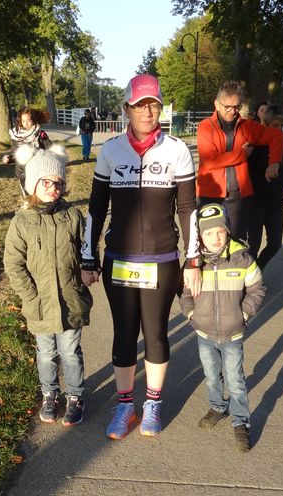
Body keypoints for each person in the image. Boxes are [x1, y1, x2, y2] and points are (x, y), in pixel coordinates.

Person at [81, 74, 201, 440]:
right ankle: (124, 405)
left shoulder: (176, 150)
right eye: (140, 105)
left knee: (156, 333)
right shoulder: (111, 151)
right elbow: (96, 208)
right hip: (119, 259)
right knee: (123, 334)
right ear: (126, 109)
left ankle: (152, 403)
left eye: (153, 105)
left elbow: (188, 209)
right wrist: (89, 257)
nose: (148, 112)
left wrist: (193, 259)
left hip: (161, 260)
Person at [4, 144, 93, 426]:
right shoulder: (22, 221)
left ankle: (75, 396)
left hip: (70, 299)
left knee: (70, 352)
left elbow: (87, 250)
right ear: (33, 184)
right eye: (46, 182)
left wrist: (90, 269)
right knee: (46, 353)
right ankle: (49, 394)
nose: (53, 188)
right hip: (40, 304)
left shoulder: (73, 215)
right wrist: (30, 296)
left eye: (58, 183)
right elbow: (13, 263)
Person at [179, 203, 265, 452]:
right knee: (211, 374)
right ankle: (217, 407)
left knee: (236, 379)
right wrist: (192, 314)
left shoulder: (242, 259)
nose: (215, 238)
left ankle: (241, 421)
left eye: (220, 231)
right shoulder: (195, 264)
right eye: (208, 233)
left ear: (227, 230)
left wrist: (244, 314)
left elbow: (257, 289)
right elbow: (185, 293)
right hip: (204, 332)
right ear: (200, 236)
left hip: (232, 333)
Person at [196, 81, 283, 244]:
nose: (232, 111)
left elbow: (277, 136)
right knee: (209, 243)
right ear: (217, 104)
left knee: (237, 242)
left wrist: (274, 162)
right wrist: (242, 154)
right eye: (227, 106)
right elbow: (209, 161)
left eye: (236, 106)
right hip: (210, 194)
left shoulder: (247, 126)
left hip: (238, 196)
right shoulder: (206, 127)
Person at [247, 104, 283, 268]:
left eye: (282, 125)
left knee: (275, 243)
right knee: (252, 246)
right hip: (256, 200)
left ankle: (257, 271)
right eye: (275, 126)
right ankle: (250, 278)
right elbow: (249, 172)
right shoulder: (255, 142)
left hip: (276, 200)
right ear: (265, 124)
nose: (279, 130)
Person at [3, 107, 52, 192]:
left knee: (40, 193)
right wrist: (8, 159)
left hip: (39, 170)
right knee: (28, 194)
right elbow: (15, 154)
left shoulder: (40, 134)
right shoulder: (16, 136)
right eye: (23, 121)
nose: (26, 123)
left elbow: (50, 150)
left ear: (33, 120)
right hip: (23, 172)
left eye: (28, 120)